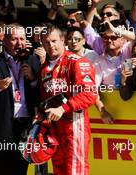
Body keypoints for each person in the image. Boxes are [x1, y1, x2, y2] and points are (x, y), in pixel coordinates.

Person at [0, 23, 40, 175]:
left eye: (22, 39)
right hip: (2, 128)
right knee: (2, 170)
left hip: (25, 128)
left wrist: (32, 79)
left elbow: (40, 94)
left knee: (21, 171)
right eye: (14, 39)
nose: (20, 43)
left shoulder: (32, 61)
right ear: (4, 41)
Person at [37, 24, 97, 175]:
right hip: (54, 131)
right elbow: (45, 98)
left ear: (62, 40)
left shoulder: (77, 62)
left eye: (54, 41)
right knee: (59, 171)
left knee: (75, 171)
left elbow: (90, 94)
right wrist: (40, 113)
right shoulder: (44, 69)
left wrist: (63, 108)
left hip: (74, 128)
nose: (50, 45)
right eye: (46, 42)